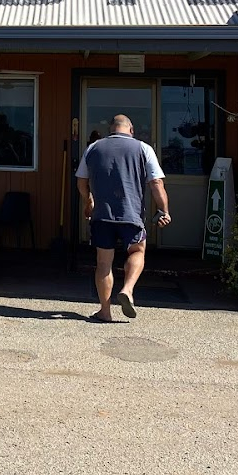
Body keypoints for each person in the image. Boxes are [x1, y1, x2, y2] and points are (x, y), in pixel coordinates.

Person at [75, 114, 171, 323]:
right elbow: (156, 183)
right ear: (131, 129)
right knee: (137, 251)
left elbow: (81, 180)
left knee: (103, 263)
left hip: (102, 215)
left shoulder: (93, 148)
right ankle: (127, 290)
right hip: (132, 214)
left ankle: (105, 311)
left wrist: (88, 201)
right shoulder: (143, 149)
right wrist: (164, 210)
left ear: (111, 129)